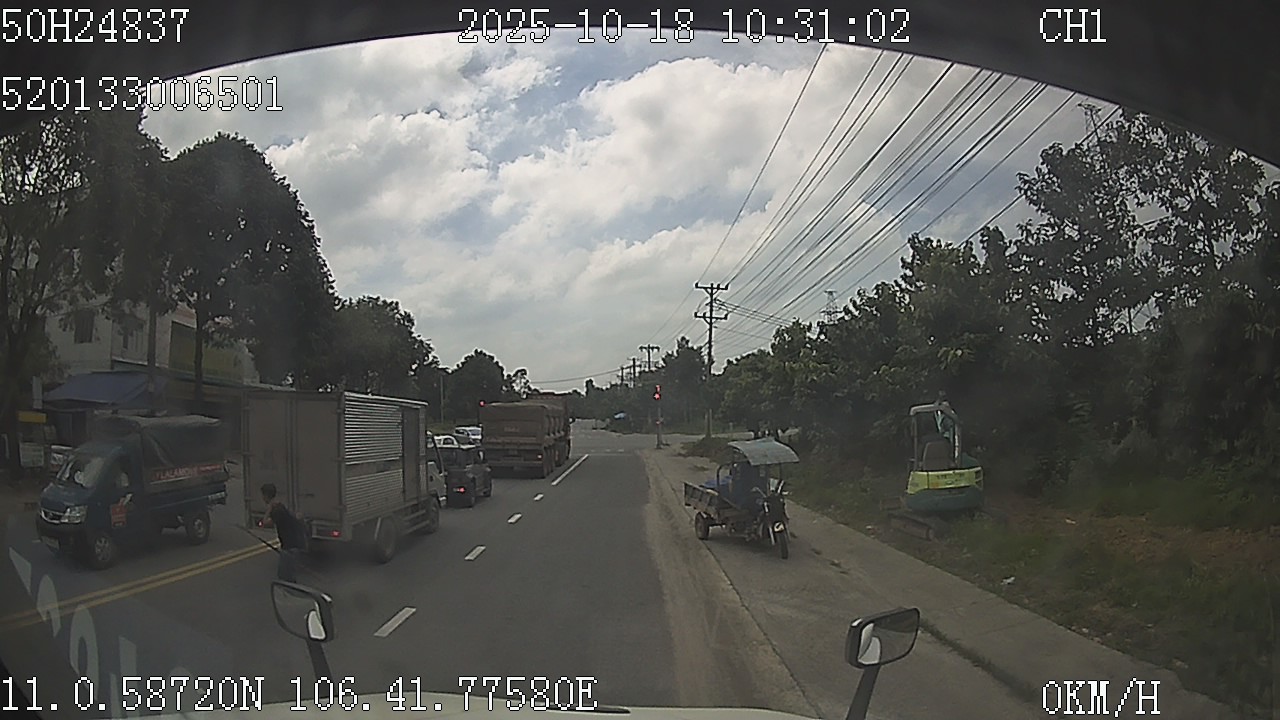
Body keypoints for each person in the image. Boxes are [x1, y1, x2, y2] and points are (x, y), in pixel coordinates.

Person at [259, 483, 307, 582]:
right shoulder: (280, 506)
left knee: (285, 576)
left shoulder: (276, 510)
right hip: (292, 545)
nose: (262, 498)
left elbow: (265, 523)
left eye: (263, 495)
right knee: (286, 575)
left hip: (290, 547)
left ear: (266, 496)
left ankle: (291, 589)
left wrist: (269, 509)